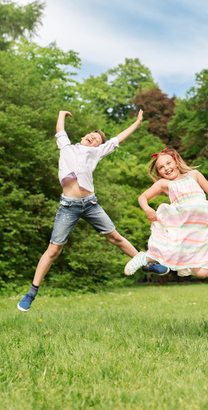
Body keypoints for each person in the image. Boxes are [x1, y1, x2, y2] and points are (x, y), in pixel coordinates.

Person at [17, 110, 165, 312]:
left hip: (90, 204)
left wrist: (137, 123)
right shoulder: (66, 147)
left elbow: (117, 139)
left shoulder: (96, 152)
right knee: (53, 250)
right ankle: (31, 292)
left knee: (116, 237)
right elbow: (60, 130)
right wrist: (60, 114)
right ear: (82, 137)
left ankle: (146, 262)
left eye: (97, 139)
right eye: (92, 135)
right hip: (68, 206)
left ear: (98, 146)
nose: (93, 137)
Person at [124, 148, 208, 278]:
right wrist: (148, 209)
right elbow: (142, 197)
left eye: (168, 163)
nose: (166, 168)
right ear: (159, 173)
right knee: (200, 273)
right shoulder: (165, 183)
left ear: (176, 162)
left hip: (204, 221)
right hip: (185, 226)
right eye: (161, 167)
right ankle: (144, 257)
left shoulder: (194, 175)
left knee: (202, 271)